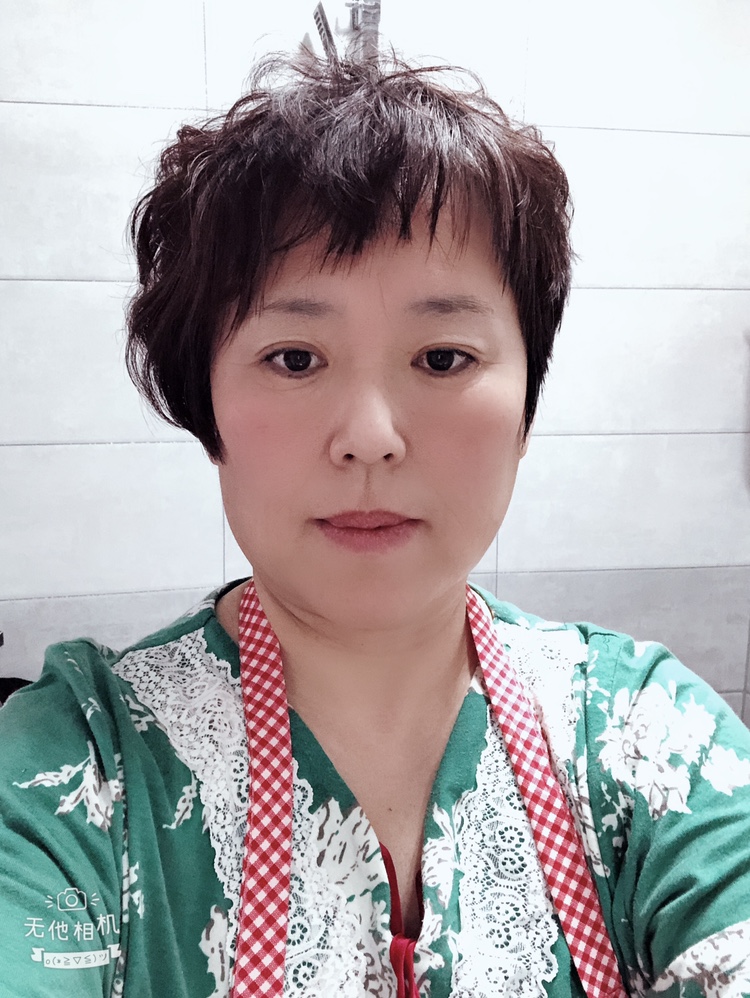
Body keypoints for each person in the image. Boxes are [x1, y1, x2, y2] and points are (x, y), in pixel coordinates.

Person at [1, 49, 749, 998]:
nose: (370, 438)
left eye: (442, 358)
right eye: (294, 358)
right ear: (206, 408)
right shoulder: (74, 770)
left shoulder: (651, 737)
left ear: (526, 409)